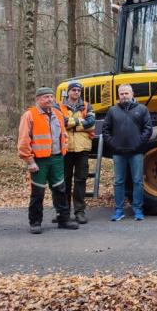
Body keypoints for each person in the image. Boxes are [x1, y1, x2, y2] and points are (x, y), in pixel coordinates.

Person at [17, 87, 78, 234]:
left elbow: (63, 135)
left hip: (57, 158)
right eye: (45, 97)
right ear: (38, 99)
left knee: (60, 190)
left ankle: (63, 220)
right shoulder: (29, 115)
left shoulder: (57, 114)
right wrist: (30, 161)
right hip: (39, 160)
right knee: (38, 192)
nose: (49, 99)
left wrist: (63, 152)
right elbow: (24, 140)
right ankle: (35, 222)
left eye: (51, 97)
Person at [102, 84, 152, 222]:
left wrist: (138, 144)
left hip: (136, 152)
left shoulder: (142, 109)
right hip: (118, 153)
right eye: (122, 94)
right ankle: (119, 210)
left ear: (132, 94)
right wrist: (114, 145)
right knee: (119, 181)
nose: (124, 96)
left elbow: (148, 129)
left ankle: (138, 209)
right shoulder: (112, 111)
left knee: (137, 181)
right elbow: (106, 130)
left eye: (126, 93)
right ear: (119, 95)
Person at [58, 81, 95, 225]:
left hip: (82, 149)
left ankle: (79, 211)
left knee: (80, 180)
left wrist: (71, 124)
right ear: (68, 92)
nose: (76, 92)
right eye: (73, 90)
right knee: (65, 181)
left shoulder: (87, 106)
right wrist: (81, 122)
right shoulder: (59, 106)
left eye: (78, 90)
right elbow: (61, 123)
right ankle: (64, 212)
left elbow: (91, 123)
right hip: (65, 149)